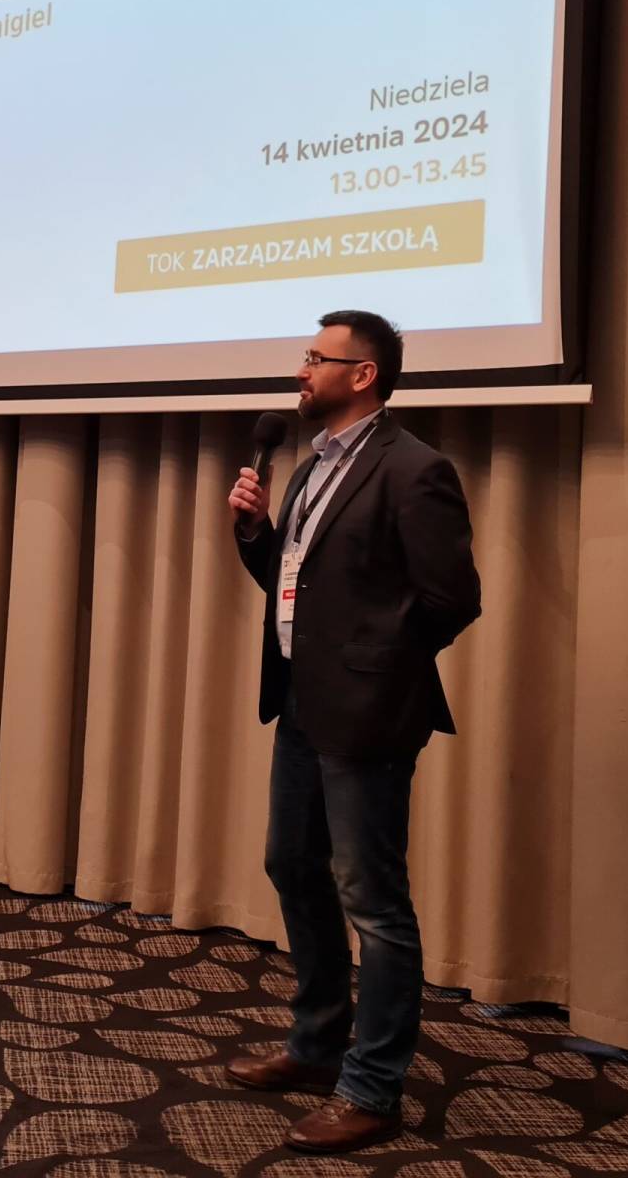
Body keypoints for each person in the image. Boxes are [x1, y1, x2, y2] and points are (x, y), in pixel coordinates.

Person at [225, 309, 481, 1153]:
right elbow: (295, 583)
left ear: (363, 375)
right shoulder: (309, 469)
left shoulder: (415, 469)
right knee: (293, 865)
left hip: (367, 714)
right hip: (303, 703)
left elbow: (452, 598)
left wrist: (373, 668)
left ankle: (373, 1088)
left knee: (372, 898)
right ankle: (316, 1045)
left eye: (316, 357)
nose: (301, 371)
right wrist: (256, 533)